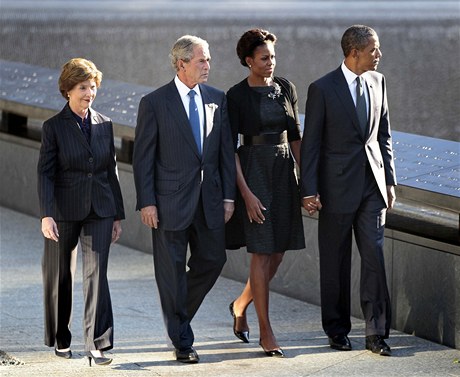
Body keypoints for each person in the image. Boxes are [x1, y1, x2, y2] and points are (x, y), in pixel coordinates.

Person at [132, 35, 236, 364]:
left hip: (209, 202)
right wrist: (146, 202)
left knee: (212, 260)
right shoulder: (155, 102)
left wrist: (229, 197)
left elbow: (224, 153)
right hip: (168, 204)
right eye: (202, 60)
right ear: (182, 64)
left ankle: (177, 319)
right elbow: (143, 159)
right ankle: (183, 342)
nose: (208, 65)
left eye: (208, 60)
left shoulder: (217, 99)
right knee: (171, 273)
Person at [300, 25, 397, 356]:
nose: (379, 55)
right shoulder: (323, 88)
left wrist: (390, 181)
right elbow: (311, 144)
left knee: (374, 257)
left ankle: (376, 333)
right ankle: (337, 330)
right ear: (354, 52)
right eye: (374, 50)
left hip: (373, 187)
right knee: (335, 261)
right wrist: (308, 190)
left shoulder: (379, 81)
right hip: (335, 188)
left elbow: (383, 134)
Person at [37, 58, 125, 366]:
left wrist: (117, 215)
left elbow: (110, 170)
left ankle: (96, 343)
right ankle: (62, 337)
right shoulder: (53, 128)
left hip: (100, 208)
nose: (89, 93)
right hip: (63, 210)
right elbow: (45, 173)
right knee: (61, 274)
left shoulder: (104, 124)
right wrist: (46, 214)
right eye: (82, 87)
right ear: (68, 90)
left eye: (93, 87)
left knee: (97, 274)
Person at [225, 28, 305, 358]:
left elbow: (297, 136)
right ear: (248, 61)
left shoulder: (286, 87)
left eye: (273, 56)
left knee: (279, 250)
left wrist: (307, 184)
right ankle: (265, 330)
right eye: (263, 58)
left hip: (284, 169)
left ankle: (240, 303)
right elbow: (230, 149)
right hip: (254, 170)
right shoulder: (236, 95)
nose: (270, 62)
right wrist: (245, 194)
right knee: (262, 251)